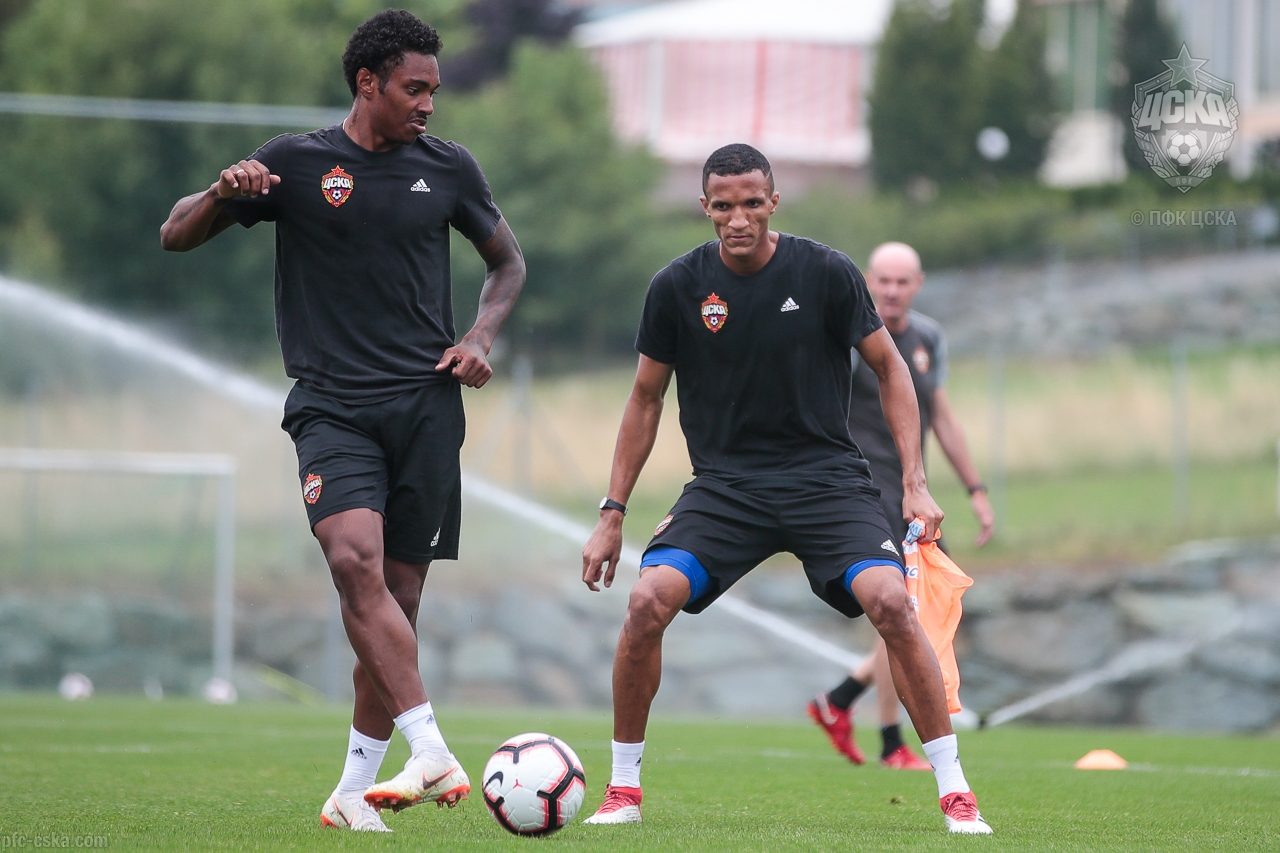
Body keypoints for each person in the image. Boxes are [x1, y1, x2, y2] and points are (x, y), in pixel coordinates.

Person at [160, 10, 525, 833]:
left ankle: (354, 790)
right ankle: (431, 749)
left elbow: (508, 262)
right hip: (333, 407)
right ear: (368, 83)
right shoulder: (295, 163)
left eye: (433, 90)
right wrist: (220, 192)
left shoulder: (449, 168)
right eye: (414, 88)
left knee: (398, 599)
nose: (429, 103)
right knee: (354, 561)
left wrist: (478, 336)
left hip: (427, 407)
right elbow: (174, 235)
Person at [578, 145, 991, 834]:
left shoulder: (826, 272)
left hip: (827, 482)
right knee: (647, 601)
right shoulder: (676, 286)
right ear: (704, 208)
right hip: (725, 490)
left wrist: (915, 483)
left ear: (773, 202)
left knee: (893, 602)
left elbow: (892, 370)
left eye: (751, 203)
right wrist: (611, 512)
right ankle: (623, 788)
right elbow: (645, 398)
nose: (738, 218)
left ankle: (955, 791)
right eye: (723, 206)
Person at [808, 241, 995, 771]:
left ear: (918, 284)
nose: (891, 291)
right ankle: (890, 741)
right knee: (906, 613)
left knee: (919, 611)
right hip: (863, 493)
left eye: (902, 281)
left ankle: (840, 700)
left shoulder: (928, 337)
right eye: (883, 281)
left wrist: (976, 489)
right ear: (868, 281)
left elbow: (942, 418)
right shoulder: (849, 336)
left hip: (912, 494)